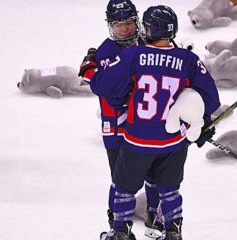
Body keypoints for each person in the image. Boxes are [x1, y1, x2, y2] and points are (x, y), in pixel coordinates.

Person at [90, 5, 221, 240]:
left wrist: (94, 69)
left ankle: (120, 232)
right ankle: (172, 232)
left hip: (138, 140)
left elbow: (104, 87)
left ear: (147, 29)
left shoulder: (133, 55)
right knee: (169, 189)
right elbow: (211, 100)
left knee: (123, 187)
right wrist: (201, 122)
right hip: (173, 142)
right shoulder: (188, 59)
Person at [78, 0, 162, 238]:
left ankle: (154, 211)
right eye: (118, 25)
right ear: (110, 26)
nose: (124, 29)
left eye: (128, 23)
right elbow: (105, 88)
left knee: (154, 169)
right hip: (115, 124)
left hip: (145, 122)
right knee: (121, 176)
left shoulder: (148, 42)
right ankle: (116, 216)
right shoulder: (106, 51)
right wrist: (89, 69)